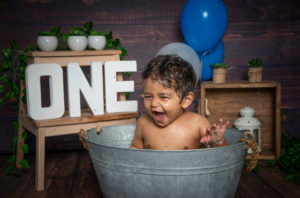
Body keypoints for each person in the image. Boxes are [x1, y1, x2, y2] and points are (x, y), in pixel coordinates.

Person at [130, 55, 229, 150]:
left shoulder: (197, 123)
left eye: (163, 97)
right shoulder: (143, 123)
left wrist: (218, 141)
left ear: (186, 100)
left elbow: (220, 154)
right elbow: (135, 150)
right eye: (148, 96)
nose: (153, 103)